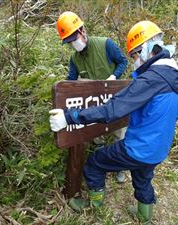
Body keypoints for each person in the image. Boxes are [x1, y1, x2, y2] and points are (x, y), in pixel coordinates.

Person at [50, 20, 178, 224]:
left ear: (147, 49)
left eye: (134, 55)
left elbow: (112, 110)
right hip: (158, 148)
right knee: (142, 176)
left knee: (94, 163)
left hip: (138, 148)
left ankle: (94, 206)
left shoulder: (150, 79)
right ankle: (144, 215)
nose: (134, 60)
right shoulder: (174, 75)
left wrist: (69, 117)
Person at [56, 11, 128, 182]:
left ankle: (121, 168)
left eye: (74, 39)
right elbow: (71, 81)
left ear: (82, 31)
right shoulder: (75, 58)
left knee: (119, 132)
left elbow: (123, 61)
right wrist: (61, 96)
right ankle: (101, 161)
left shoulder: (105, 44)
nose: (74, 44)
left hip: (114, 98)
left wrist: (114, 76)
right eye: (70, 42)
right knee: (96, 133)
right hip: (93, 102)